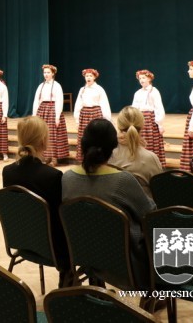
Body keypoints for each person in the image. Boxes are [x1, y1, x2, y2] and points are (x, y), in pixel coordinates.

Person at [62, 119, 156, 288]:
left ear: (83, 144)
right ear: (113, 146)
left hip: (85, 254)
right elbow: (150, 214)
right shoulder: (123, 180)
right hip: (127, 263)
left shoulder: (67, 178)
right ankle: (171, 288)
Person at [2, 116, 69, 286]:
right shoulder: (52, 176)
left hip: (21, 240)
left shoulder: (7, 172)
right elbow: (59, 218)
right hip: (52, 248)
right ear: (43, 141)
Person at [109, 106, 163, 198]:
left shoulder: (107, 156)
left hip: (113, 205)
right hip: (143, 206)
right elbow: (160, 191)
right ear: (142, 126)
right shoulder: (151, 158)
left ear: (118, 126)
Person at [32, 64, 69, 166]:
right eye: (44, 72)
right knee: (43, 134)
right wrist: (34, 114)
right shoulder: (41, 86)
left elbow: (59, 101)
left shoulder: (56, 85)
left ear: (53, 73)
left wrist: (57, 116)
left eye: (48, 72)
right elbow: (36, 101)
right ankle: (46, 156)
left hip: (52, 110)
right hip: (42, 110)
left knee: (52, 134)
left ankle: (54, 158)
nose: (46, 74)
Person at [73, 68, 111, 162]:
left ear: (94, 77)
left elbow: (104, 104)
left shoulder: (99, 89)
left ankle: (96, 158)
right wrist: (77, 118)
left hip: (95, 113)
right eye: (86, 76)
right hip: (84, 114)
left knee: (96, 135)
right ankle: (84, 158)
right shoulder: (82, 89)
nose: (88, 78)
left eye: (90, 76)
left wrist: (107, 119)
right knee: (84, 136)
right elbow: (78, 104)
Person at [131, 69, 166, 167]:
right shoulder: (138, 93)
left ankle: (153, 163)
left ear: (149, 79)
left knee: (151, 141)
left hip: (150, 120)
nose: (141, 80)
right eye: (140, 78)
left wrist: (160, 124)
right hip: (139, 118)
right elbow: (134, 107)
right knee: (141, 140)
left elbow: (158, 107)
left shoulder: (154, 91)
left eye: (143, 78)